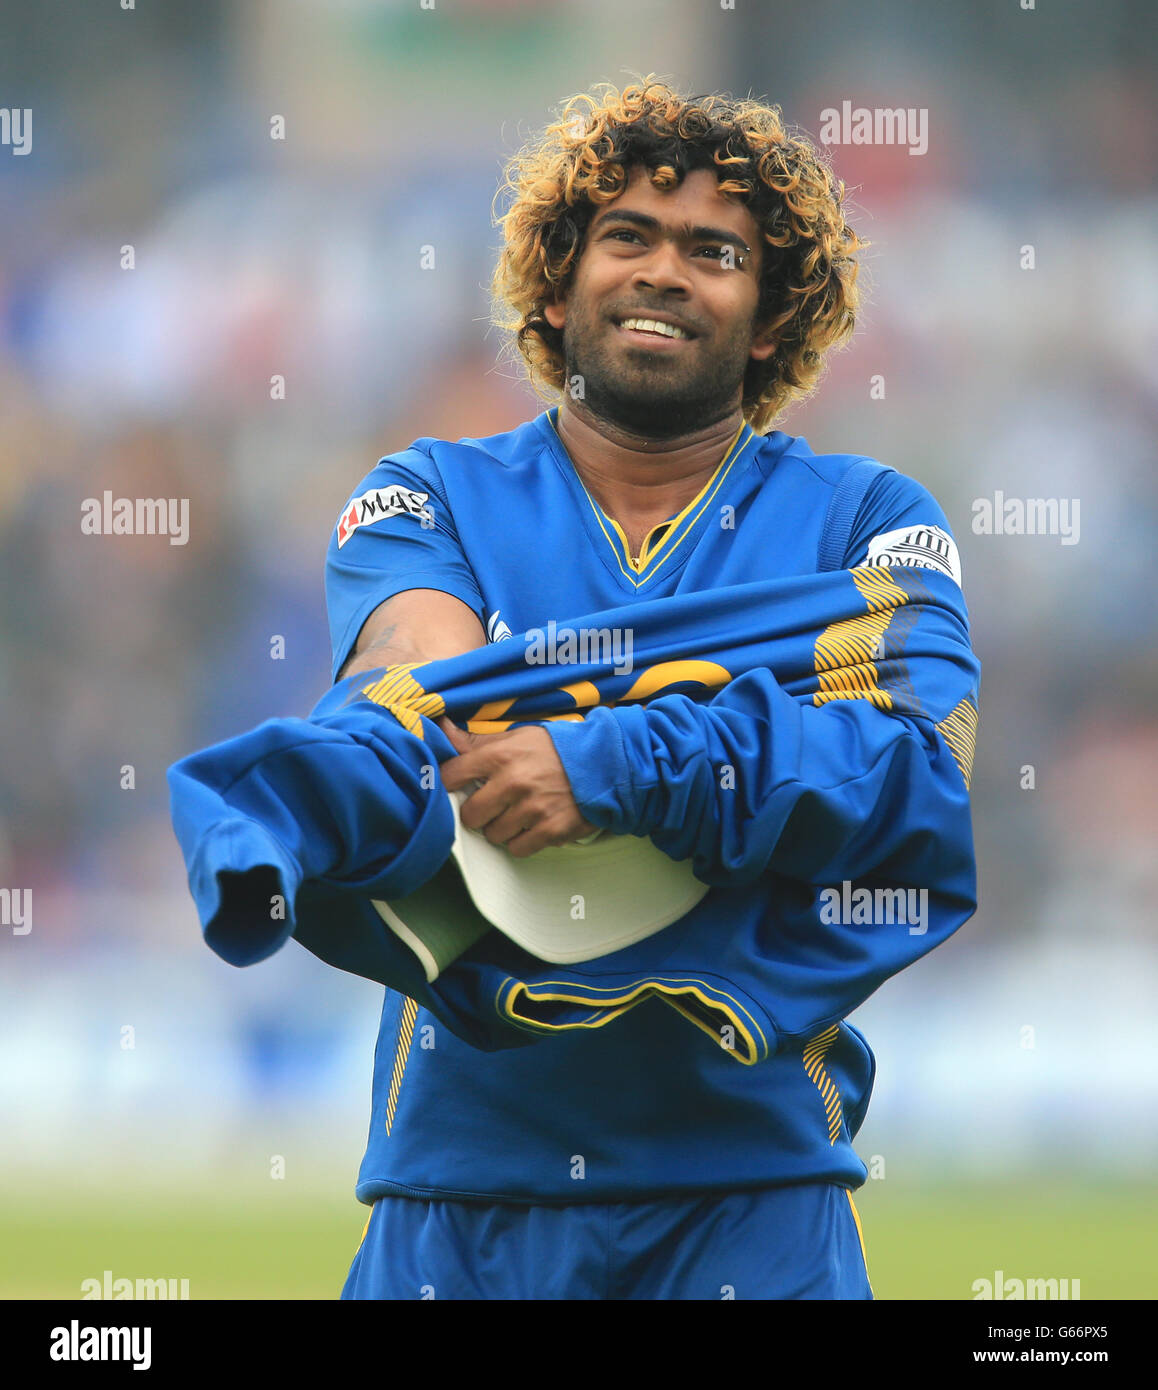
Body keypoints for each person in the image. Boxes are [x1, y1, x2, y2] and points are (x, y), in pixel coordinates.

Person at [169, 76, 978, 1300]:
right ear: (556, 282)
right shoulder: (425, 493)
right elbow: (414, 697)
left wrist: (605, 769)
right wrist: (285, 807)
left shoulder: (867, 521)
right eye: (627, 237)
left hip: (753, 1204)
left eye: (715, 251)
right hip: (456, 1202)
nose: (664, 271)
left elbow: (916, 774)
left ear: (770, 319)